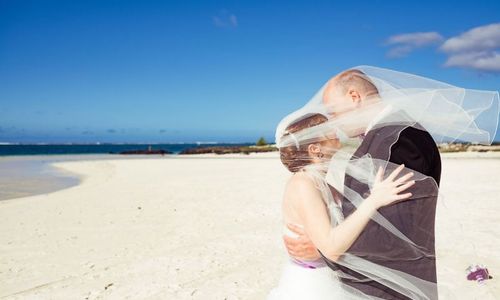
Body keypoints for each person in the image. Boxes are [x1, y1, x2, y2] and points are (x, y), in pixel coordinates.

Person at [283, 68, 441, 299]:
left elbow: (398, 232)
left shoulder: (400, 142)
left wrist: (322, 250)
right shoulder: (391, 137)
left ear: (355, 97)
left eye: (334, 112)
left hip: (390, 287)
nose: (334, 123)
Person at [268, 113, 418, 300]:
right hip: (313, 286)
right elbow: (331, 248)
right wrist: (373, 200)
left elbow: (338, 235)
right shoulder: (303, 183)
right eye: (327, 131)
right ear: (315, 149)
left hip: (331, 278)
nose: (335, 131)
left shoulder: (323, 183)